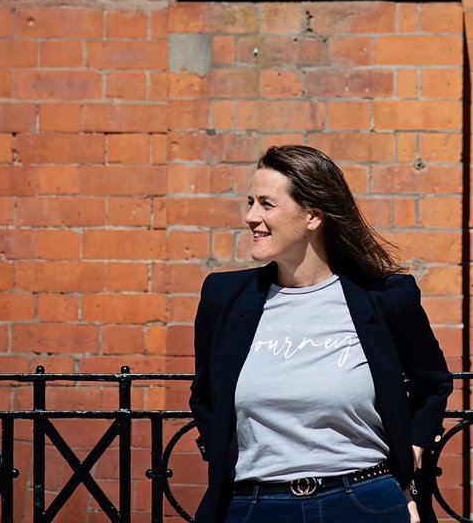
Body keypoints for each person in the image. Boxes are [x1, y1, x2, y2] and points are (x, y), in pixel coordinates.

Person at [189, 145, 453, 523]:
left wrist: (410, 453)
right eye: (250, 202)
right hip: (254, 505)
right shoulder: (224, 298)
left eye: (267, 204)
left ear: (313, 216)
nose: (251, 217)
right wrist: (223, 453)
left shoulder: (386, 298)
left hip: (364, 500)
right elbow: (205, 397)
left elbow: (433, 384)